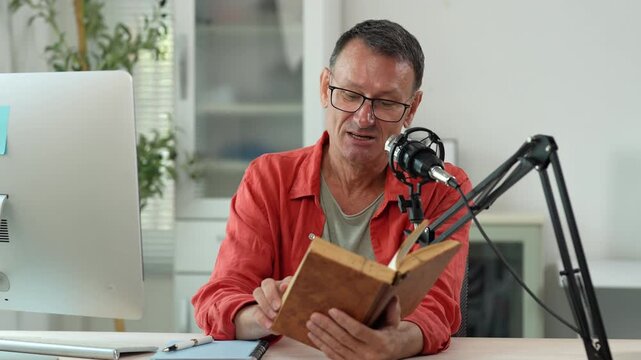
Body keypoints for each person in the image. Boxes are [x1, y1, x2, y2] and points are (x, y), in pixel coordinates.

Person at [192, 19, 472, 359]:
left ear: (411, 109)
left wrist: (391, 345)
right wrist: (266, 316)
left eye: (385, 103)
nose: (363, 117)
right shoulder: (268, 178)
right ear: (326, 87)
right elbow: (218, 298)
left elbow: (437, 308)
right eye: (351, 95)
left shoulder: (440, 187)